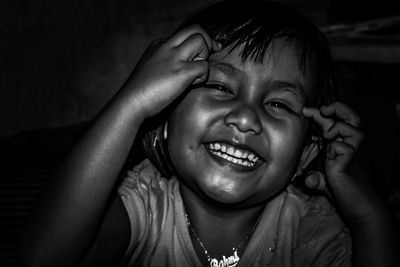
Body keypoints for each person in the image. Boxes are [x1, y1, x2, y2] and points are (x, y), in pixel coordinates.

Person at [19, 0, 399, 266]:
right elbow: (44, 258)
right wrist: (130, 104)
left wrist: (368, 216)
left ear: (303, 153)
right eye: (220, 88)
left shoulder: (310, 229)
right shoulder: (146, 206)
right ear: (164, 116)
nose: (246, 118)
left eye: (279, 104)